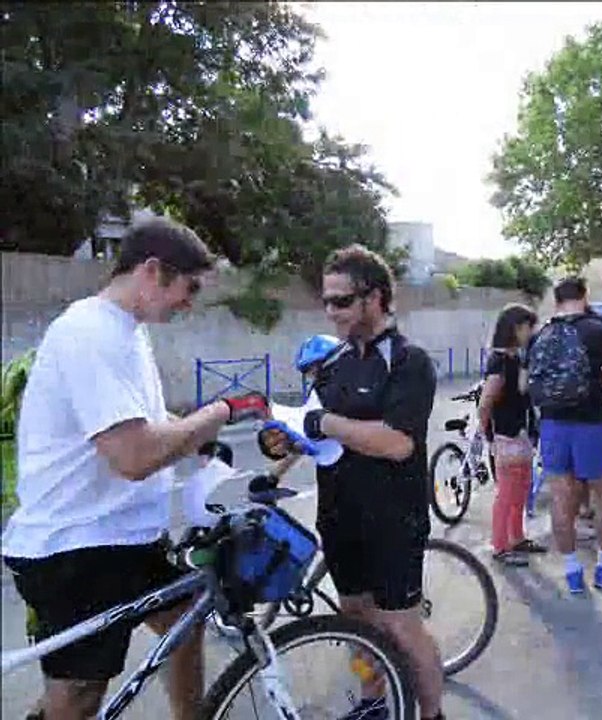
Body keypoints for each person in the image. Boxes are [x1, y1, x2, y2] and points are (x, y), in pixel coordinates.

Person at [1, 218, 270, 720]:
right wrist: (223, 412)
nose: (188, 304)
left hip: (123, 540)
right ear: (153, 271)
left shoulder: (129, 331)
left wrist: (201, 445)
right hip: (76, 547)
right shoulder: (89, 333)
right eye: (188, 289)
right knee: (79, 694)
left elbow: (146, 420)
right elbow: (134, 455)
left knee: (185, 624)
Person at [259, 244, 444, 720]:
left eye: (341, 301)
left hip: (393, 518)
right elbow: (309, 429)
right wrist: (281, 447)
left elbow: (397, 443)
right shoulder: (337, 362)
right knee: (355, 622)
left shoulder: (408, 361)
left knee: (402, 628)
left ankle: (432, 714)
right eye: (326, 301)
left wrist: (325, 425)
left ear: (376, 298)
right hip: (341, 514)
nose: (330, 311)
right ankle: (373, 704)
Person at [528, 276, 602, 594]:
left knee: (562, 499)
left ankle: (573, 572)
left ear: (557, 299)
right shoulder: (597, 330)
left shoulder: (541, 334)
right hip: (593, 423)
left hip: (552, 425)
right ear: (584, 296)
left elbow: (526, 384)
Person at [478, 303, 547, 566]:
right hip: (505, 434)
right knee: (507, 492)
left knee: (521, 488)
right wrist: (489, 437)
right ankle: (500, 545)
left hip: (519, 432)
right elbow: (486, 402)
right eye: (529, 327)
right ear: (516, 327)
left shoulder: (515, 358)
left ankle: (516, 538)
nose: (532, 332)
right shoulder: (500, 361)